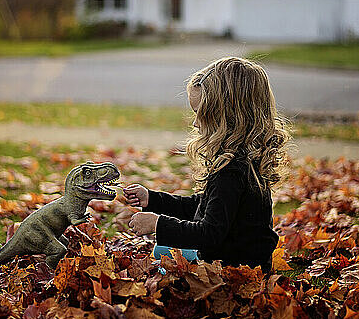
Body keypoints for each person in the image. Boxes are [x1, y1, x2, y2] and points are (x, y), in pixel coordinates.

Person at [123, 56, 292, 275]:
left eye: (200, 114)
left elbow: (209, 234)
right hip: (237, 261)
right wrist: (153, 199)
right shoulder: (241, 161)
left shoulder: (231, 171)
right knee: (162, 250)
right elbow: (203, 207)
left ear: (227, 117)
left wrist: (157, 224)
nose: (195, 123)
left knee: (160, 266)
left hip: (236, 272)